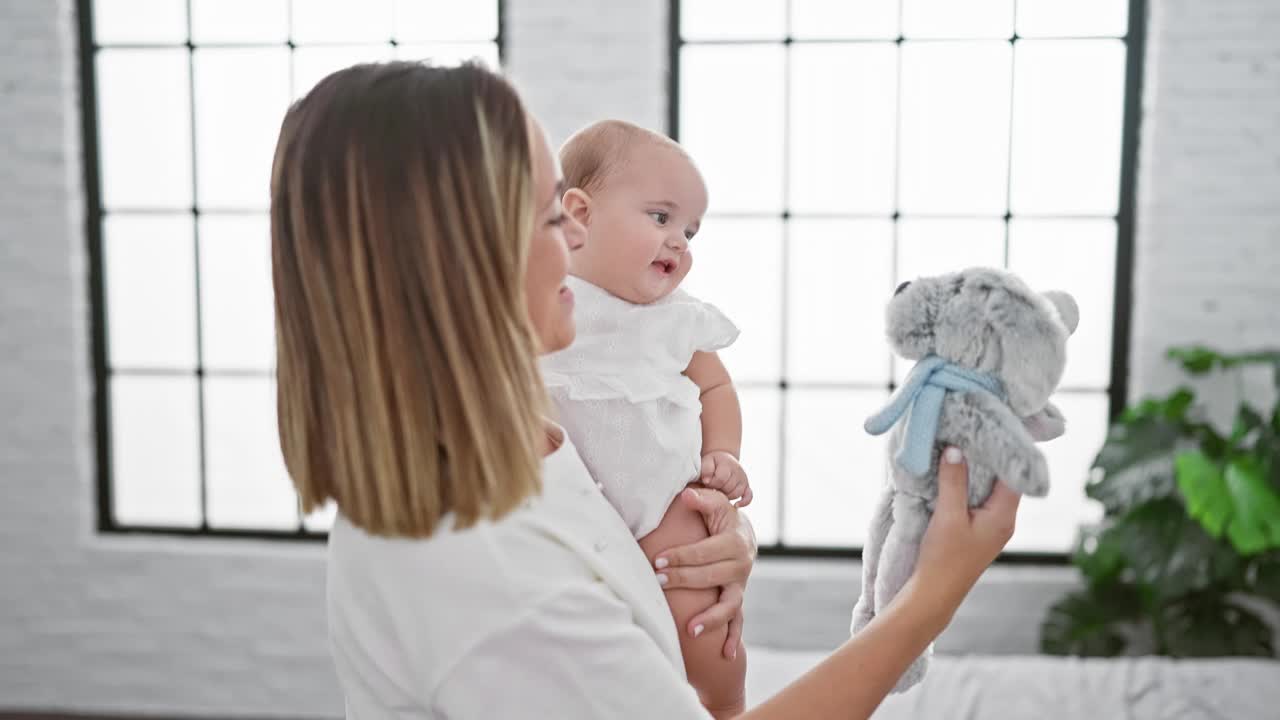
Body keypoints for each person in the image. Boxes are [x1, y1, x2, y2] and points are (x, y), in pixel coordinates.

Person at [270, 61, 1022, 719]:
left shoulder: (519, 437)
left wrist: (711, 547)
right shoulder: (486, 579)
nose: (574, 236)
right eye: (547, 216)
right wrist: (930, 595)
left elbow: (613, 541)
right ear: (454, 263)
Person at [542, 120, 751, 716]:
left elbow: (715, 385)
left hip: (665, 505)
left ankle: (724, 703)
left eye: (690, 230)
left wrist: (725, 455)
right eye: (661, 219)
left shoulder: (676, 317)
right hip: (569, 513)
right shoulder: (538, 302)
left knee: (700, 616)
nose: (681, 243)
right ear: (578, 213)